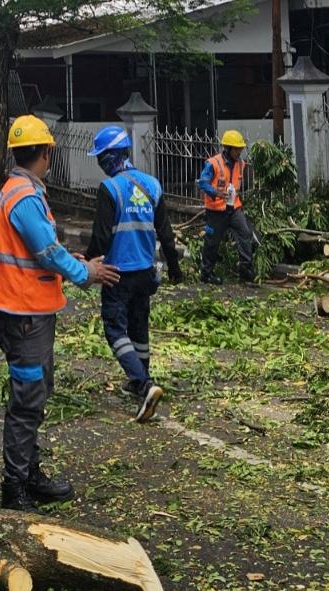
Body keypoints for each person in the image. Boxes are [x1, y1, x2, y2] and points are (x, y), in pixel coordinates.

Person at [0, 115, 120, 513]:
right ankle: (15, 488)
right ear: (46, 152)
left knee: (34, 396)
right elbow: (45, 251)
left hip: (25, 312)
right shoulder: (24, 196)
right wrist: (85, 272)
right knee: (28, 402)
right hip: (24, 315)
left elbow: (39, 252)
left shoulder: (20, 190)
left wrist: (71, 260)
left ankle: (28, 472)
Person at [85, 126, 182, 422]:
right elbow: (166, 234)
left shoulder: (110, 189)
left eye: (101, 157)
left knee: (114, 329)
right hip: (145, 272)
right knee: (139, 327)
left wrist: (86, 266)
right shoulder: (152, 185)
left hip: (116, 273)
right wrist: (176, 271)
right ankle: (141, 377)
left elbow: (101, 238)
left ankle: (143, 384)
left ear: (111, 156)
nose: (100, 162)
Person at [198, 130, 258, 285]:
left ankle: (245, 273)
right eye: (236, 149)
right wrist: (215, 192)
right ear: (228, 148)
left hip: (234, 208)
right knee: (212, 242)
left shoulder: (241, 164)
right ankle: (206, 273)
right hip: (216, 210)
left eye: (240, 149)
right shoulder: (213, 163)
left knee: (245, 234)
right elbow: (202, 182)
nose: (239, 152)